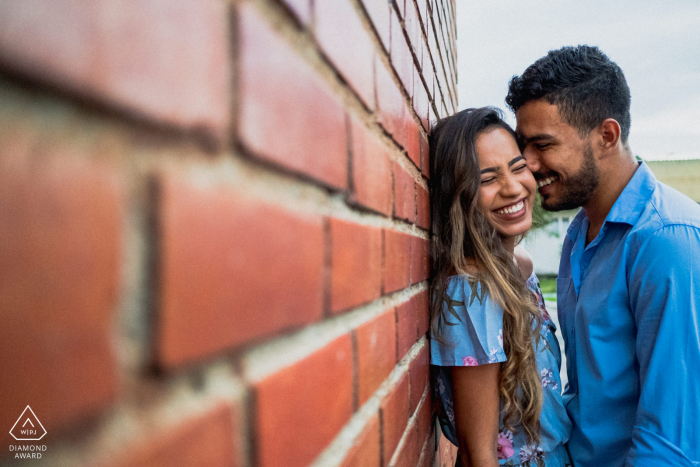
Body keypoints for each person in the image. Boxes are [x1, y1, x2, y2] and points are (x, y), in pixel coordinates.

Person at [506, 45, 700, 467]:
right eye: (524, 145)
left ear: (606, 136)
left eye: (542, 144)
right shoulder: (578, 233)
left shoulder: (667, 240)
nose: (526, 163)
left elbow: (673, 441)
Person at [429, 107, 572, 466]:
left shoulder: (518, 266)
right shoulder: (472, 292)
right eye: (488, 178)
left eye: (518, 167)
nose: (512, 188)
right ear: (460, 193)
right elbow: (480, 454)